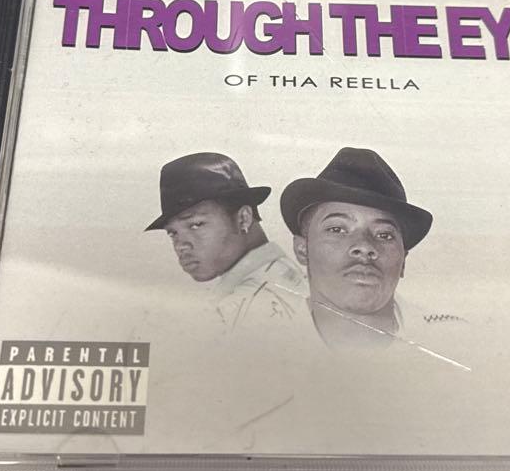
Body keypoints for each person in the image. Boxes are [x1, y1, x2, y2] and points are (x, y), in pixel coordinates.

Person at [280, 147, 439, 351]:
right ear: (303, 249)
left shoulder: (452, 341)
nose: (364, 246)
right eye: (337, 229)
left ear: (403, 261)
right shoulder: (259, 341)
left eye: (384, 235)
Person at [146, 152, 305, 329]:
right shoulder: (278, 279)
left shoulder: (254, 302)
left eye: (196, 225)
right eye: (173, 233)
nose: (181, 246)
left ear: (243, 219)